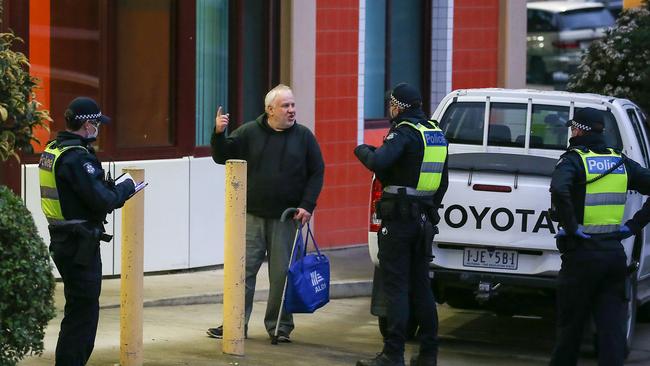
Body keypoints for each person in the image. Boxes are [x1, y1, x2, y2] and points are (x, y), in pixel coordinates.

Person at [208, 84, 325, 342]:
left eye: (293, 105)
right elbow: (222, 156)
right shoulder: (250, 132)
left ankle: (279, 328)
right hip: (251, 216)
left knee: (282, 275)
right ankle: (234, 324)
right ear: (270, 110)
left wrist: (307, 205)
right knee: (242, 272)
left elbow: (317, 172)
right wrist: (218, 133)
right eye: (286, 106)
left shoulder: (304, 137)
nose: (292, 110)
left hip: (287, 218)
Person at [354, 83, 448, 366]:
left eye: (391, 105)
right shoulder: (435, 134)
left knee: (395, 287)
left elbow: (379, 160)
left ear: (397, 106)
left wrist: (362, 150)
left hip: (399, 222)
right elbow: (442, 181)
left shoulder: (404, 132)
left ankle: (392, 355)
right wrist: (429, 209)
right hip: (423, 222)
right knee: (421, 287)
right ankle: (428, 354)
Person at [549, 107, 650, 366]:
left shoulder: (573, 160)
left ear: (580, 129)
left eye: (573, 126)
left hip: (581, 256)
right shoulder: (619, 161)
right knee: (611, 331)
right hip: (613, 256)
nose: (571, 131)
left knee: (570, 330)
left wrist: (571, 226)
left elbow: (559, 189)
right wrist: (633, 226)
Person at [38, 97, 135, 365]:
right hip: (79, 243)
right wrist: (126, 188)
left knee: (77, 309)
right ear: (87, 125)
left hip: (63, 239)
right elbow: (102, 200)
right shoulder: (77, 158)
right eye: (97, 124)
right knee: (83, 313)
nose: (98, 129)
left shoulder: (54, 149)